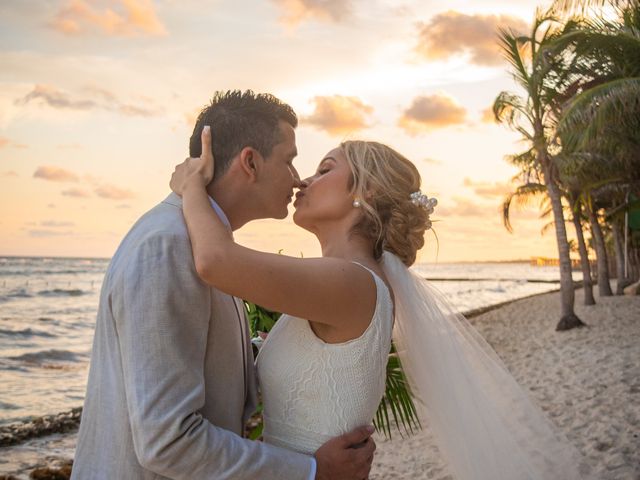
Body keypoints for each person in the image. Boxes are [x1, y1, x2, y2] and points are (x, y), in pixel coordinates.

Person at [170, 125, 596, 479]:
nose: (303, 181)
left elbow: (214, 260)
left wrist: (191, 189)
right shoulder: (346, 281)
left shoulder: (351, 282)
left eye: (324, 170)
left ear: (367, 190)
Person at [71, 90, 375, 480]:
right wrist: (311, 471)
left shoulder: (207, 246)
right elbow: (168, 441)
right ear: (250, 162)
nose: (298, 179)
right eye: (289, 161)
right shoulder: (168, 247)